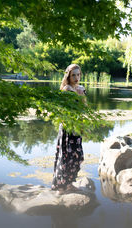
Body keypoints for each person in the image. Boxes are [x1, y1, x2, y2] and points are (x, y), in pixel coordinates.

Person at [51, 64, 86, 193]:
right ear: (68, 76)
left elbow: (84, 109)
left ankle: (69, 182)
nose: (76, 77)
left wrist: (81, 96)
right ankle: (63, 185)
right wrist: (78, 96)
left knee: (77, 156)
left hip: (77, 127)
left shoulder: (80, 88)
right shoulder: (67, 90)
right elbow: (66, 111)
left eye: (78, 74)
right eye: (73, 75)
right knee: (67, 156)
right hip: (68, 127)